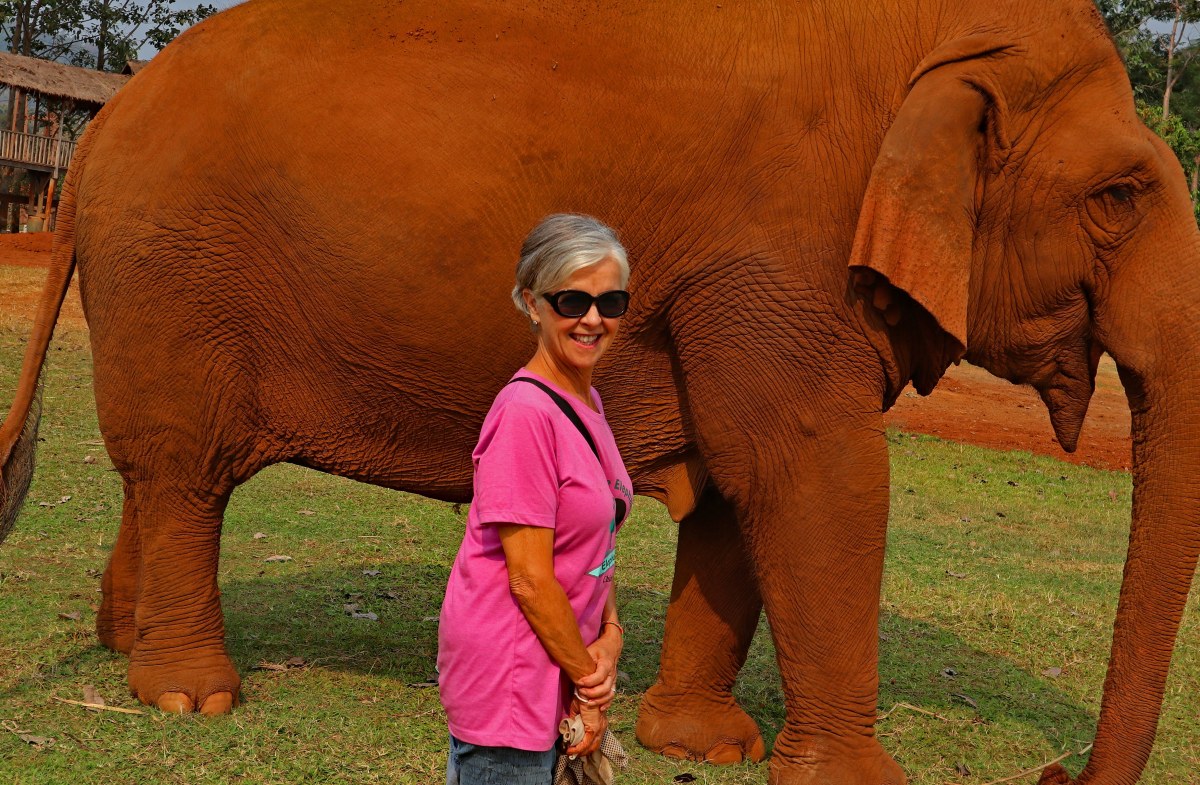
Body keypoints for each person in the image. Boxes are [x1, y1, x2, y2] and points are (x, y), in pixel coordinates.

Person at [438, 214, 634, 784]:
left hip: (560, 660)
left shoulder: (587, 401)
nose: (593, 319)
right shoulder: (525, 415)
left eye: (611, 301)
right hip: (513, 674)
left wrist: (611, 635)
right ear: (532, 302)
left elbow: (597, 539)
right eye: (571, 301)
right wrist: (590, 681)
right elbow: (527, 577)